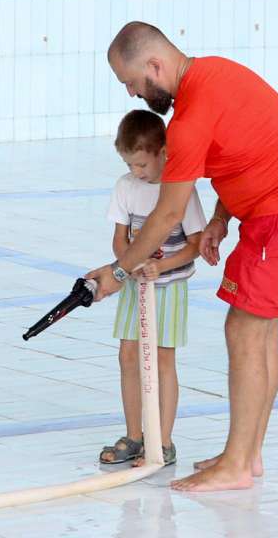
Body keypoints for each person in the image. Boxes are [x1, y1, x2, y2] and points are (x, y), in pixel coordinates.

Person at [86, 22, 278, 492]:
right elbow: (244, 153)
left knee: (245, 328)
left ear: (154, 66)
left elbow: (166, 215)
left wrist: (118, 272)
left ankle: (238, 466)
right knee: (260, 329)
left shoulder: (190, 118)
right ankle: (248, 454)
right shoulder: (215, 75)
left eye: (133, 83)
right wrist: (222, 217)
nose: (134, 94)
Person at [98, 110, 205, 468]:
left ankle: (163, 441)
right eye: (130, 164)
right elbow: (119, 239)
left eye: (142, 164)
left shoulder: (180, 189)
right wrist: (129, 266)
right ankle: (135, 435)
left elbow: (194, 245)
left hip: (168, 288)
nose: (137, 173)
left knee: (161, 360)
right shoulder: (126, 186)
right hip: (133, 287)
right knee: (128, 356)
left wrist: (160, 266)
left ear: (163, 152)